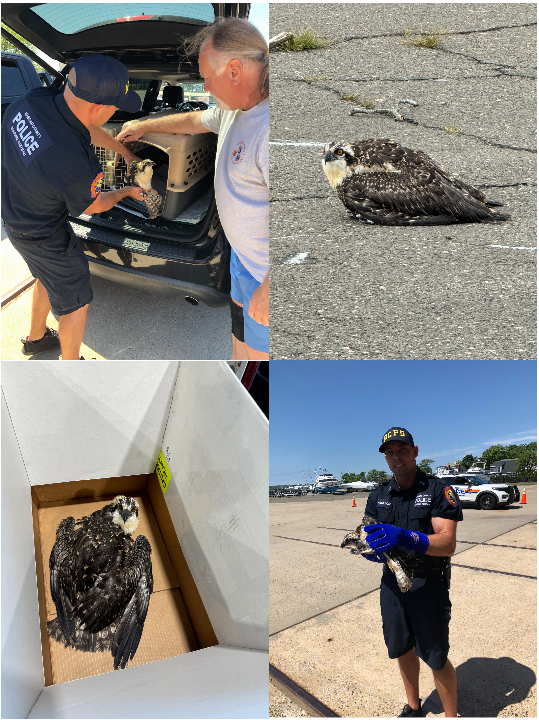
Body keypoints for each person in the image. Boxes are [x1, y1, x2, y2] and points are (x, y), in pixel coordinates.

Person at [117, 17, 269, 360]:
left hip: (265, 275)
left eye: (207, 77)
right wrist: (143, 125)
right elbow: (193, 119)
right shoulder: (234, 110)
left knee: (263, 360)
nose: (207, 87)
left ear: (234, 70)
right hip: (244, 260)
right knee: (239, 337)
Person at [2, 54, 145, 359]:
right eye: (115, 106)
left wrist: (125, 152)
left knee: (45, 276)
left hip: (15, 217)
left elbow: (82, 125)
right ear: (98, 107)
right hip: (45, 236)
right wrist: (127, 191)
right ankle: (72, 369)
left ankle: (37, 338)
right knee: (77, 303)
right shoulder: (76, 165)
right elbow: (94, 206)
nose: (116, 110)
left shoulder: (29, 101)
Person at [363, 427, 463, 717]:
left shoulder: (437, 490)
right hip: (392, 584)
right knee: (402, 648)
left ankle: (451, 716)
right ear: (385, 458)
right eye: (390, 453)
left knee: (435, 657)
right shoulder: (378, 495)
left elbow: (447, 544)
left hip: (427, 584)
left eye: (402, 450)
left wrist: (409, 538)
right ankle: (414, 707)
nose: (397, 457)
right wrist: (371, 549)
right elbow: (367, 533)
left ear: (415, 451)